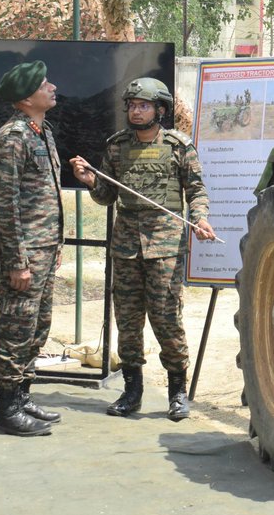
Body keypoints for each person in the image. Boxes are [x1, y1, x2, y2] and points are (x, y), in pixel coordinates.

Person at [70, 78, 217, 421]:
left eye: (144, 106)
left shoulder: (179, 146)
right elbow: (107, 196)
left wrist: (200, 219)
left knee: (167, 319)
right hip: (125, 247)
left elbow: (196, 191)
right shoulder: (117, 146)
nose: (136, 112)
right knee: (128, 320)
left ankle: (177, 391)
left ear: (160, 110)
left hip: (165, 246)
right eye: (132, 106)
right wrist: (92, 182)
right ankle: (132, 390)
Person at [0, 60, 64, 437]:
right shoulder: (13, 137)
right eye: (43, 83)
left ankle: (22, 394)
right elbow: (6, 203)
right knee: (16, 327)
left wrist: (57, 244)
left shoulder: (42, 132)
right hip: (25, 253)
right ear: (25, 97)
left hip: (44, 248)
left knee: (37, 325)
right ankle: (6, 408)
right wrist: (18, 260)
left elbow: (45, 197)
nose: (51, 87)